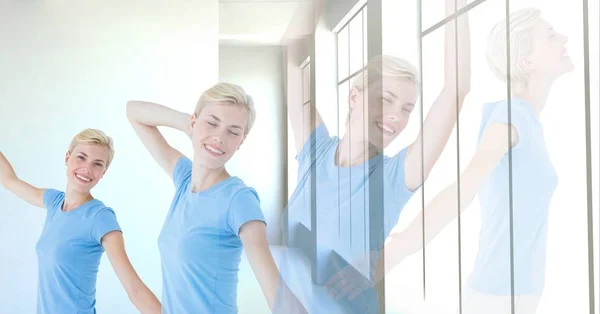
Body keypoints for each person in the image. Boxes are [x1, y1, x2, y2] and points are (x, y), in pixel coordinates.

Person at [377, 8, 573, 314]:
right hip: (498, 297)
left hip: (520, 292)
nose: (564, 38)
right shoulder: (511, 117)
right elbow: (465, 187)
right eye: (551, 36)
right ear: (527, 62)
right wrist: (398, 248)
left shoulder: (529, 121)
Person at [283, 0, 471, 311]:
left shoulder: (394, 177)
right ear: (354, 97)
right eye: (386, 100)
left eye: (407, 109)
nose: (396, 117)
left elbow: (456, 89)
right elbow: (292, 63)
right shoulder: (315, 151)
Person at [126, 82, 307, 314]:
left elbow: (276, 292)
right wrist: (187, 122)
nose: (219, 138)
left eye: (233, 132)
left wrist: (202, 126)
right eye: (212, 123)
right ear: (194, 122)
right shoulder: (184, 179)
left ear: (240, 142)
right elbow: (134, 111)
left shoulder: (239, 200)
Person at [0, 129, 161, 314]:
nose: (87, 168)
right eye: (81, 157)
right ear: (67, 157)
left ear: (103, 172)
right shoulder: (54, 202)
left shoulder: (100, 217)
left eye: (97, 164)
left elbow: (135, 290)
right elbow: (8, 180)